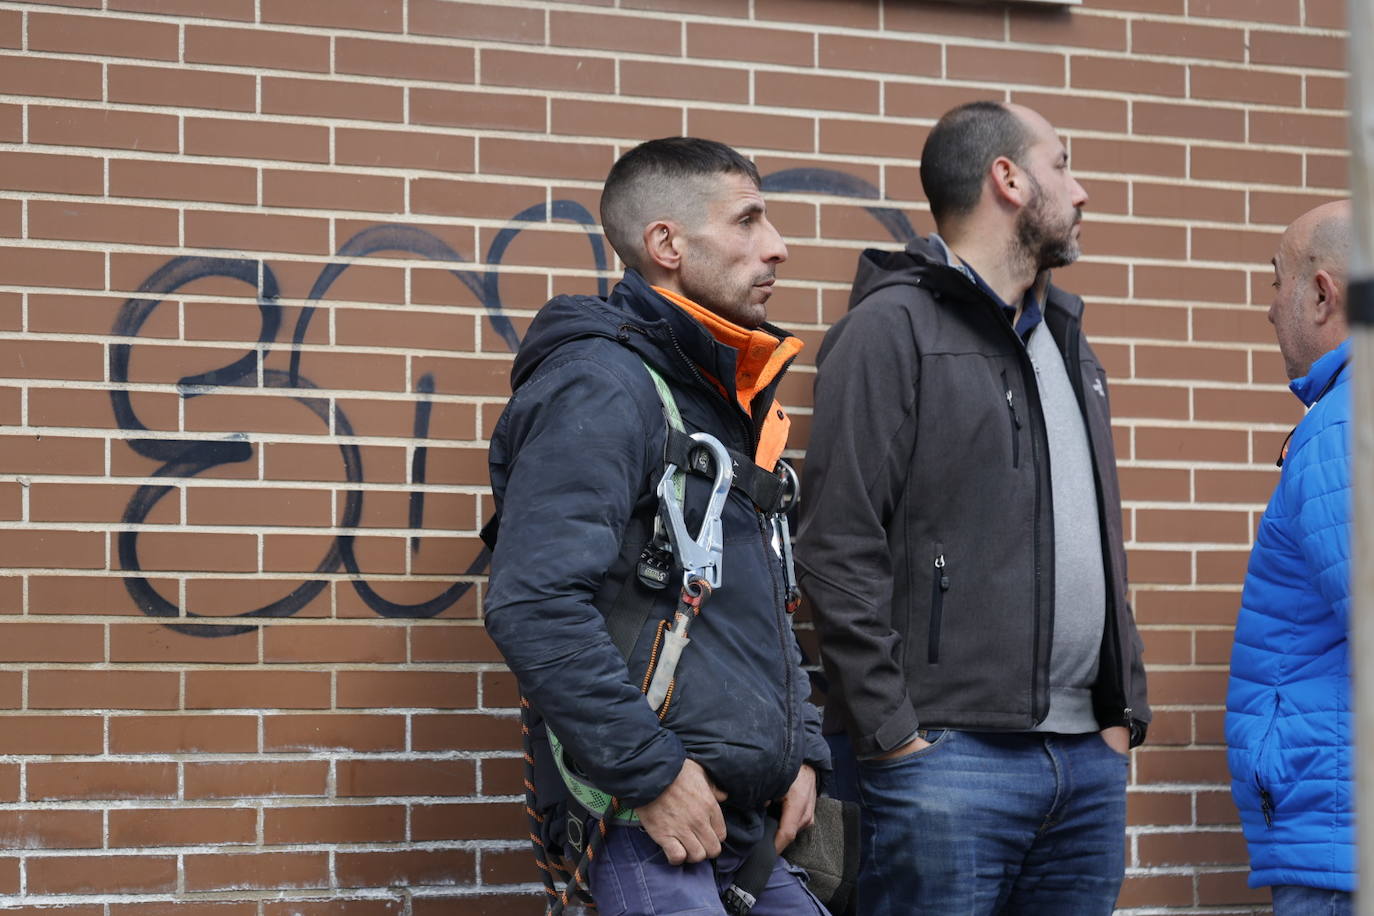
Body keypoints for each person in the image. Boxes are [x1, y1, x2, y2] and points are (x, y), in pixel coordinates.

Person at [795, 101, 1150, 914]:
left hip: (1085, 762)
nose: (1082, 190)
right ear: (1009, 180)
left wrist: (1120, 717)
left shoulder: (1066, 340)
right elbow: (835, 542)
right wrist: (897, 738)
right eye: (1062, 165)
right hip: (943, 762)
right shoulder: (888, 331)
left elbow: (1097, 536)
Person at [484, 136, 831, 915]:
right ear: (666, 243)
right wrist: (651, 775)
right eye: (748, 221)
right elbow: (532, 603)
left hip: (740, 825)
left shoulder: (721, 393)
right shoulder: (603, 385)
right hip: (647, 822)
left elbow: (765, 599)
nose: (778, 247)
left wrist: (803, 750)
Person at [1226, 200, 1354, 914]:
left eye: (1277, 281)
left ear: (1322, 293)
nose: (1269, 308)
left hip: (1341, 840)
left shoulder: (1341, 427)